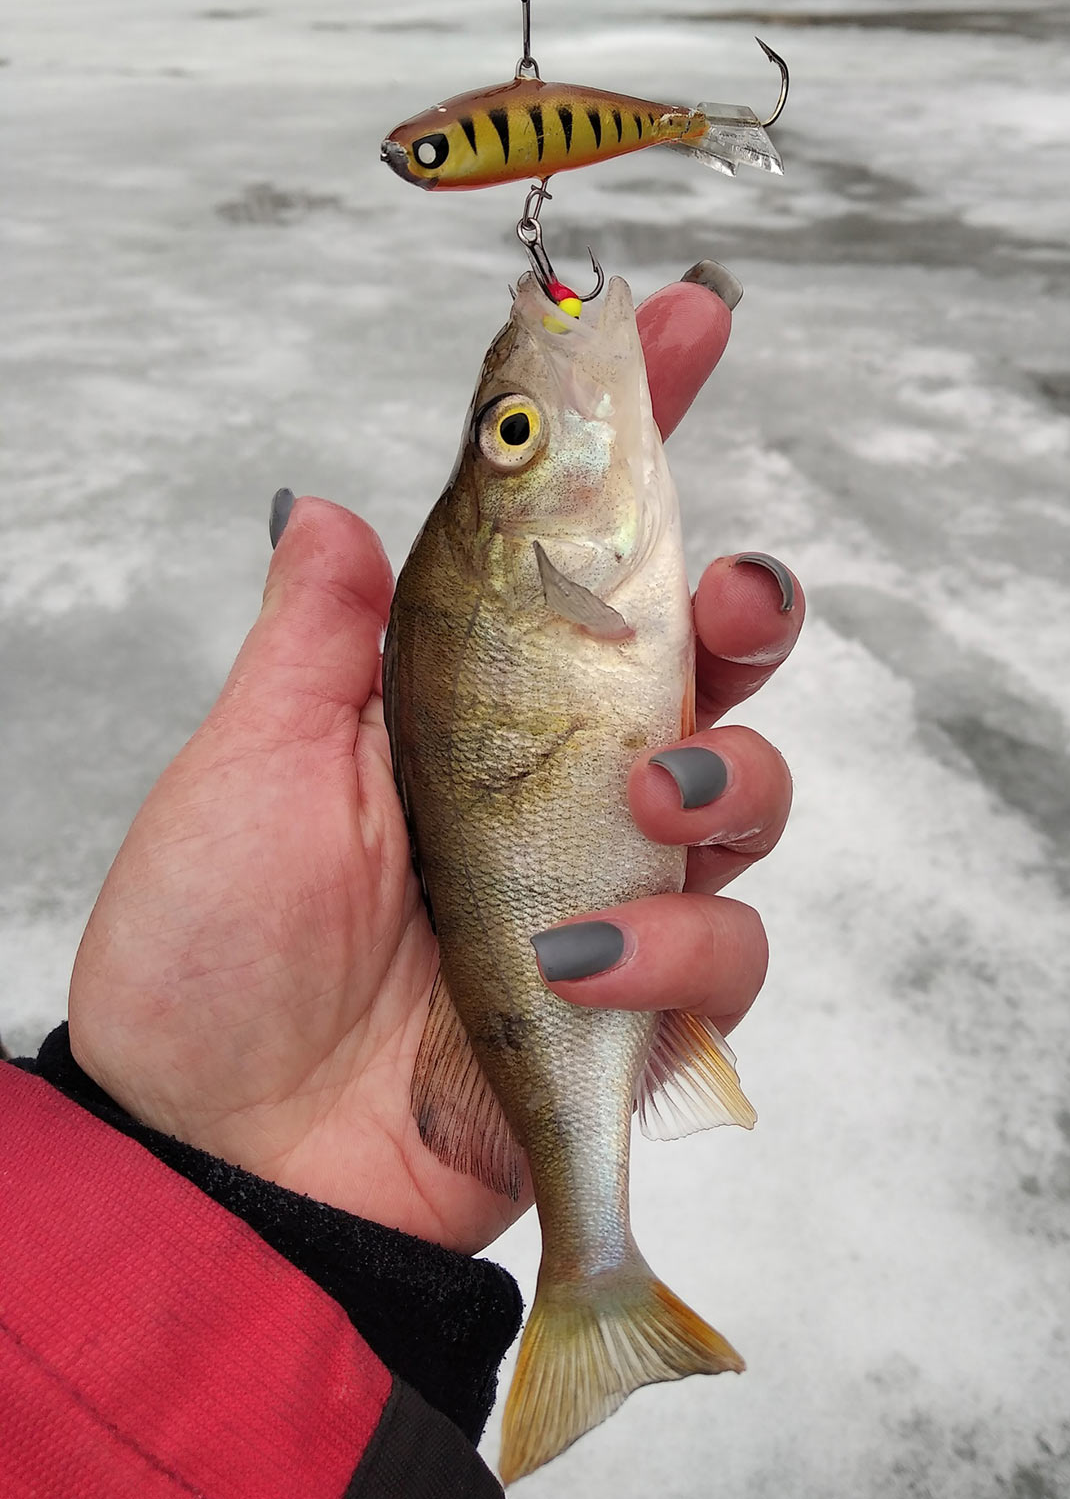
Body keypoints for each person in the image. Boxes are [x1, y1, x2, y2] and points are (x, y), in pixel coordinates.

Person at [2, 273, 802, 1498]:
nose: (524, 421)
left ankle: (596, 1272)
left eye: (514, 429)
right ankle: (599, 1277)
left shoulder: (588, 565)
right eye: (515, 430)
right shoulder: (560, 570)